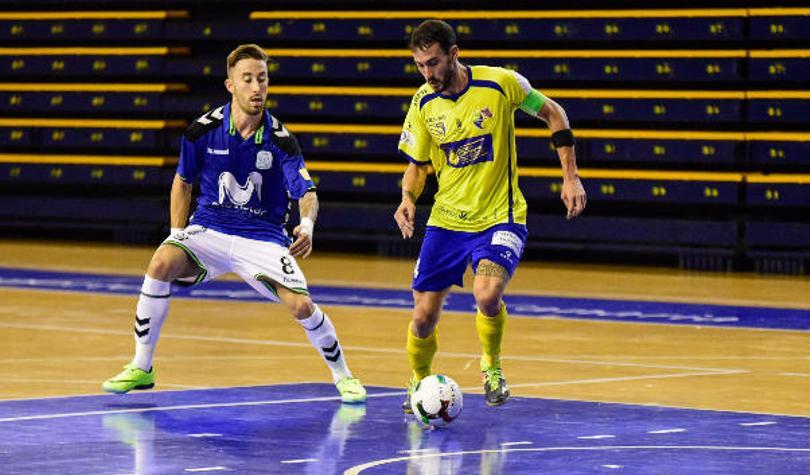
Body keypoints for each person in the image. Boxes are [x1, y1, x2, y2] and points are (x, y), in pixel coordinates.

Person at [102, 44, 367, 403]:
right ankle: (141, 366)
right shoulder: (201, 131)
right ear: (231, 85)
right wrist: (178, 237)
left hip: (262, 237)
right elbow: (182, 182)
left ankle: (344, 376)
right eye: (248, 80)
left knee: (301, 306)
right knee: (161, 263)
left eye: (263, 79)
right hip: (209, 229)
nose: (257, 88)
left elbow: (307, 191)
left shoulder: (281, 140)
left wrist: (306, 225)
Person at [394, 20, 586, 411]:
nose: (428, 74)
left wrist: (571, 178)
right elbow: (417, 164)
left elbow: (554, 114)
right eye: (420, 66)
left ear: (454, 53)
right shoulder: (423, 103)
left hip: (502, 214)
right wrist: (407, 198)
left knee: (487, 293)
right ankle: (418, 381)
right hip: (447, 220)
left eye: (433, 63)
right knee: (423, 317)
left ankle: (491, 366)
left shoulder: (501, 83)